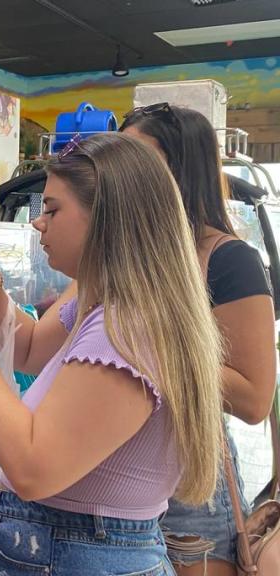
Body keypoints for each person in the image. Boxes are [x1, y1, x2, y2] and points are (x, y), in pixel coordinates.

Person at [0, 133, 224, 575]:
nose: (38, 223)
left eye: (52, 209)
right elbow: (28, 349)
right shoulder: (103, 296)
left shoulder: (128, 327)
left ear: (107, 218)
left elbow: (32, 468)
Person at [121, 103, 276, 576]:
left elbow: (253, 396)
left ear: (179, 168)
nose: (122, 174)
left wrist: (152, 347)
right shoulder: (125, 253)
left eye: (139, 160)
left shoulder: (229, 260)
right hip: (114, 476)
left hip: (190, 487)